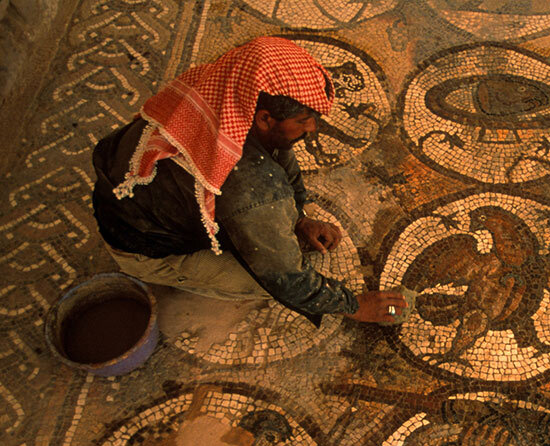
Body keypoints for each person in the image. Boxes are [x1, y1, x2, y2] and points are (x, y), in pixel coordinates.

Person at [91, 36, 405, 325]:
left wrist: (299, 219)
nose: (312, 129)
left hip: (131, 199)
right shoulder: (249, 185)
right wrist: (354, 306)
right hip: (139, 248)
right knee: (266, 282)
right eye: (303, 121)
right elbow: (288, 279)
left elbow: (279, 151)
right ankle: (165, 271)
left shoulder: (222, 88)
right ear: (265, 118)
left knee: (270, 205)